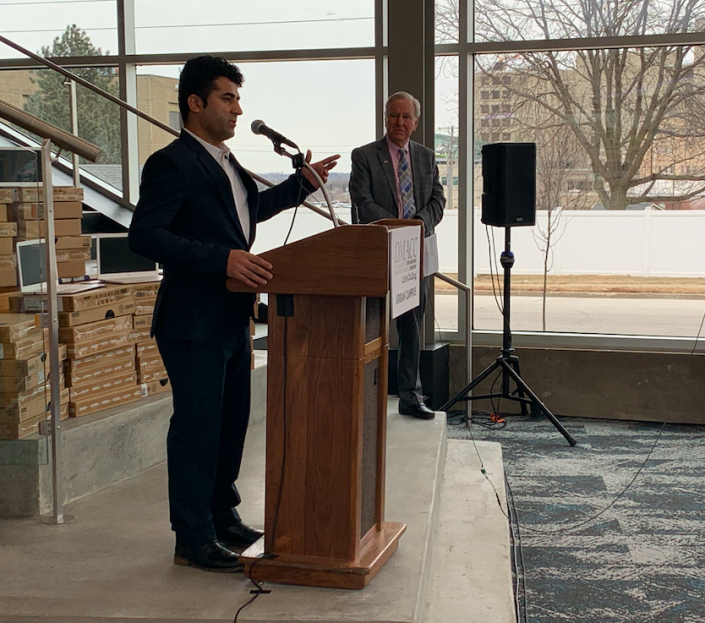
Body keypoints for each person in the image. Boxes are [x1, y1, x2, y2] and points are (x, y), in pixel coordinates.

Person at [128, 55, 339, 573]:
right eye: (227, 98)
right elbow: (145, 236)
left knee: (230, 425)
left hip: (231, 318)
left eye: (238, 99)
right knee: (198, 427)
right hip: (191, 321)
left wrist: (301, 186)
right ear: (195, 103)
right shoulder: (170, 162)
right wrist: (221, 258)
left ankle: (222, 516)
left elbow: (248, 213)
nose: (238, 109)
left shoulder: (226, 162)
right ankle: (191, 536)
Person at [349, 91, 445, 420]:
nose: (399, 122)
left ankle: (410, 396)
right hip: (377, 252)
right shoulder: (363, 156)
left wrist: (418, 224)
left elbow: (437, 200)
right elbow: (362, 201)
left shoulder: (426, 157)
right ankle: (363, 396)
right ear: (384, 118)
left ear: (416, 122)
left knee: (411, 329)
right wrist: (397, 228)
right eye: (393, 115)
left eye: (406, 117)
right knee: (370, 327)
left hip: (414, 256)